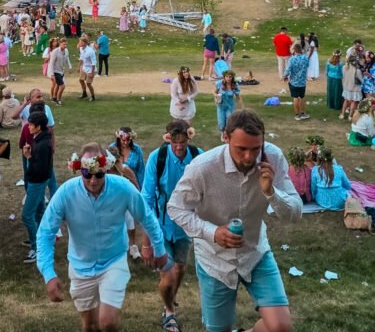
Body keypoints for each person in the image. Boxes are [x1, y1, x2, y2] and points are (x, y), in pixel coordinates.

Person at [168, 110, 300, 332]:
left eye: (255, 149)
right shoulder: (203, 167)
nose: (249, 157)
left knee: (280, 326)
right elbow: (176, 208)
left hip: (255, 252)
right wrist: (213, 232)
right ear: (226, 137)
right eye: (242, 149)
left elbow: (295, 213)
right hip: (214, 261)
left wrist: (271, 193)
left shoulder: (273, 157)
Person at [37, 143, 167, 332]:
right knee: (90, 326)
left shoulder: (122, 188)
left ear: (107, 169)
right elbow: (45, 233)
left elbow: (146, 217)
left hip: (113, 260)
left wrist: (159, 247)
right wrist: (48, 274)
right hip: (80, 266)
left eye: (99, 174)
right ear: (79, 170)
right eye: (87, 174)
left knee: (107, 322)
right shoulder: (66, 193)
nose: (93, 180)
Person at [142, 119, 200, 332]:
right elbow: (146, 199)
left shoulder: (197, 156)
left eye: (182, 142)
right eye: (174, 142)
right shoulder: (157, 158)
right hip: (160, 225)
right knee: (168, 276)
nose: (178, 147)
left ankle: (171, 299)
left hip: (186, 225)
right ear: (167, 139)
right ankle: (169, 312)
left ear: (189, 138)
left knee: (181, 268)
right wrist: (146, 241)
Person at [21, 112, 54, 263]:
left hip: (37, 182)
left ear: (38, 127)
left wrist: (28, 157)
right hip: (39, 180)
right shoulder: (41, 139)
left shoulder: (42, 145)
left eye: (31, 125)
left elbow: (39, 169)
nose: (28, 127)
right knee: (40, 211)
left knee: (27, 215)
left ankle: (36, 248)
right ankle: (43, 240)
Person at [283, 43, 310, 121]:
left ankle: (297, 115)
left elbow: (288, 69)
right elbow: (307, 66)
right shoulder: (305, 58)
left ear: (294, 50)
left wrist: (284, 76)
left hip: (293, 81)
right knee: (302, 97)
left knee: (295, 98)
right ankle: (302, 113)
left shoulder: (292, 59)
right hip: (302, 82)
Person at [48, 38, 72, 105]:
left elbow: (67, 59)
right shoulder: (55, 51)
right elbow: (51, 63)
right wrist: (52, 74)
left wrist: (70, 67)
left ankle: (54, 98)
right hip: (56, 71)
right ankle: (58, 100)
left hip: (61, 70)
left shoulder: (66, 51)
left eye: (66, 44)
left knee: (58, 85)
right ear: (60, 44)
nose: (65, 46)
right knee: (62, 86)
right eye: (64, 44)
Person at [78, 36, 98, 102]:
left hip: (90, 69)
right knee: (81, 80)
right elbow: (81, 58)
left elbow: (94, 62)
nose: (80, 43)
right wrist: (79, 67)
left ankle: (93, 96)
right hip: (84, 67)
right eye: (80, 42)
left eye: (81, 42)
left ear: (85, 43)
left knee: (88, 83)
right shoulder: (81, 48)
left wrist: (92, 73)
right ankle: (84, 94)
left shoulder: (90, 51)